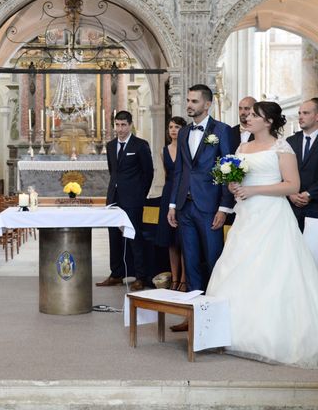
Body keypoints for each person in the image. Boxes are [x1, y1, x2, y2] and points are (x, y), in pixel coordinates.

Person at [207, 101, 318, 369]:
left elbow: (292, 185)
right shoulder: (242, 147)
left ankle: (272, 337)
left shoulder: (281, 147)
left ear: (268, 122)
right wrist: (234, 185)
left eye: (255, 115)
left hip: (271, 215)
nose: (248, 118)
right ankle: (234, 334)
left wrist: (253, 191)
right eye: (249, 115)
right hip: (247, 216)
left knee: (274, 271)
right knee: (238, 267)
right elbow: (241, 180)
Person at [168, 84, 234, 329]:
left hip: (210, 207)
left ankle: (216, 317)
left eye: (194, 101)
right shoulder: (184, 132)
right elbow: (180, 171)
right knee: (191, 261)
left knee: (214, 259)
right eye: (188, 100)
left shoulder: (222, 131)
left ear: (207, 104)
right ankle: (193, 315)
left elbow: (229, 169)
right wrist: (173, 204)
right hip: (185, 206)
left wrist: (224, 208)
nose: (189, 105)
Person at [97, 110, 154, 291]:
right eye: (117, 125)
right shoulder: (111, 145)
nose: (120, 129)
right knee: (114, 236)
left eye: (123, 125)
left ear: (130, 125)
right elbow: (112, 171)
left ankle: (140, 276)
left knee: (134, 237)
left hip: (133, 199)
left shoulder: (140, 145)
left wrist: (139, 195)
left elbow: (148, 173)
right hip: (114, 199)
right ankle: (116, 274)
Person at [155, 116, 187, 291]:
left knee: (183, 239)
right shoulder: (163, 150)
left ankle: (184, 279)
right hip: (168, 193)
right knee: (171, 240)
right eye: (171, 127)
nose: (173, 130)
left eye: (177, 127)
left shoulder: (187, 148)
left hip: (183, 194)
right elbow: (168, 174)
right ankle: (174, 279)